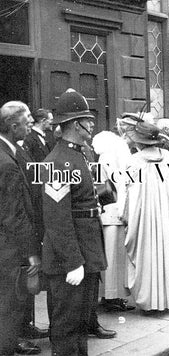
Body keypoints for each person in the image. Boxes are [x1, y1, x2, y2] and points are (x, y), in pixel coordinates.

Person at [41, 89, 111, 355]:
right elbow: (57, 221)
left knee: (81, 323)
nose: (92, 124)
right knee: (67, 325)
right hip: (70, 259)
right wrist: (73, 262)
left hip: (86, 249)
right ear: (73, 124)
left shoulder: (79, 155)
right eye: (87, 120)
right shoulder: (58, 162)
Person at [122, 121, 169, 311]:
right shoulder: (168, 157)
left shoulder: (134, 161)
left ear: (139, 142)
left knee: (149, 253)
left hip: (146, 216)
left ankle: (152, 302)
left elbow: (130, 193)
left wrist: (127, 216)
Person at [0, 101, 42, 356]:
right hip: (9, 249)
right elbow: (14, 215)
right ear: (12, 126)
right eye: (27, 124)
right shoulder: (7, 163)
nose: (30, 127)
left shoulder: (8, 153)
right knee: (9, 308)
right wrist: (31, 252)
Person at [92, 130, 134, 312]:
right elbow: (109, 186)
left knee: (111, 256)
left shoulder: (105, 158)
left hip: (110, 210)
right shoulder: (111, 158)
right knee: (114, 257)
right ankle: (112, 296)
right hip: (113, 210)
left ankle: (110, 295)